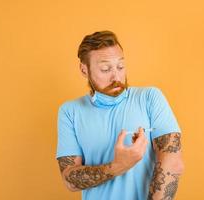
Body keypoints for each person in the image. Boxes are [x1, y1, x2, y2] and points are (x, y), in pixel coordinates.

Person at [56, 30, 184, 200]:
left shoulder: (149, 98)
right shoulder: (70, 111)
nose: (116, 76)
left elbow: (173, 163)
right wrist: (118, 166)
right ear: (84, 70)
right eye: (105, 69)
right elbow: (70, 180)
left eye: (120, 66)